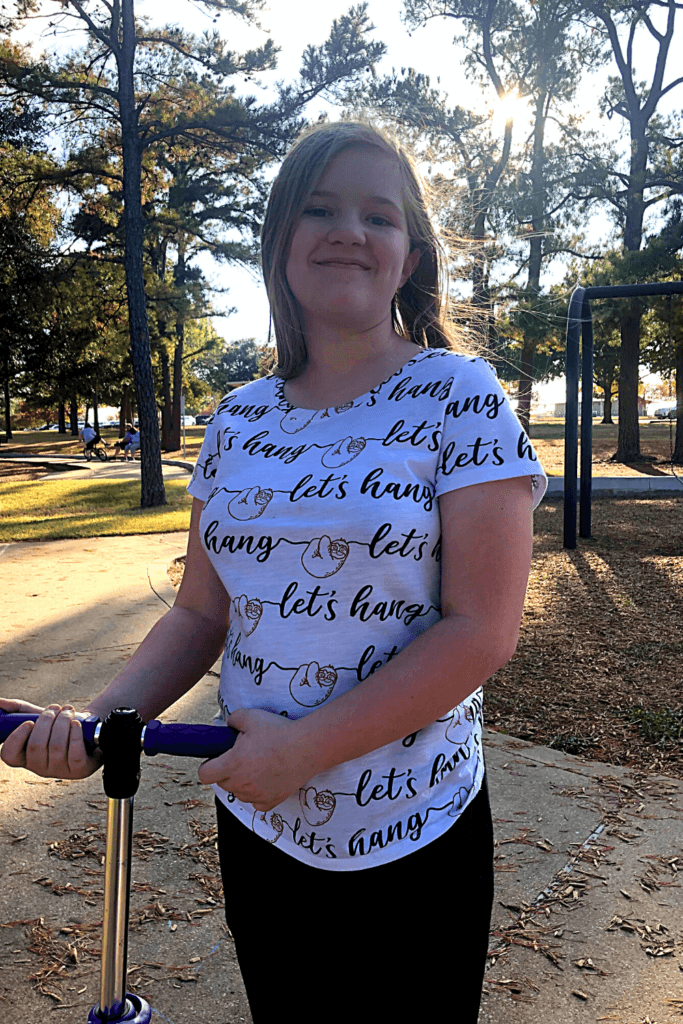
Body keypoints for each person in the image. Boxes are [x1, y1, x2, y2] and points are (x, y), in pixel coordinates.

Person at [0, 121, 547, 1022]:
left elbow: (480, 629)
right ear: (280, 240)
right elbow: (197, 616)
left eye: (379, 214)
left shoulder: (461, 395)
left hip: (413, 820)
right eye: (321, 207)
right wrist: (97, 724)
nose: (349, 230)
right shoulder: (237, 420)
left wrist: (304, 749)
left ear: (408, 255)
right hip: (261, 814)